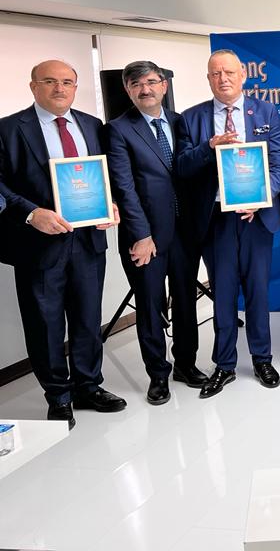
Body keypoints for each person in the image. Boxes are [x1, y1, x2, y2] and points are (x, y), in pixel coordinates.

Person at [0, 60, 125, 428]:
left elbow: (106, 174)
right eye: (50, 81)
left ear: (75, 87)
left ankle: (88, 386)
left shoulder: (93, 125)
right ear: (33, 86)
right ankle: (58, 396)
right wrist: (30, 213)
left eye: (67, 82)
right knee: (45, 324)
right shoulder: (8, 129)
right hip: (38, 244)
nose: (59, 88)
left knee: (88, 318)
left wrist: (110, 203)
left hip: (88, 241)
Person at [175, 49, 280, 398]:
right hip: (216, 219)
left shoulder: (266, 111)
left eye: (228, 72)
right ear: (208, 78)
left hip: (256, 217)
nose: (223, 78)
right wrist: (208, 147)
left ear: (243, 75)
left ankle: (262, 359)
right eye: (215, 73)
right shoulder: (191, 118)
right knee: (223, 295)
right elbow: (182, 167)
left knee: (257, 291)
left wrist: (262, 197)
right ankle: (224, 365)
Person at [105, 61, 207, 405]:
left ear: (164, 85)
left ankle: (186, 365)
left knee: (185, 300)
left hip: (184, 231)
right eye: (136, 84)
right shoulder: (118, 130)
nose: (145, 89)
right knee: (149, 306)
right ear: (128, 90)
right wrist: (141, 235)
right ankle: (158, 375)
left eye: (151, 82)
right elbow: (123, 187)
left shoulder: (181, 122)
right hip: (145, 236)